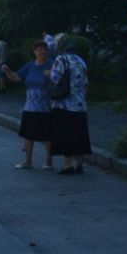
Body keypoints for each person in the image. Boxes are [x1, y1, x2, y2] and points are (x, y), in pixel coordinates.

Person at [2, 40, 54, 169]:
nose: (42, 52)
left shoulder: (51, 64)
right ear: (34, 51)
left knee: (47, 135)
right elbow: (16, 77)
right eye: (39, 49)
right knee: (28, 135)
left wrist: (51, 75)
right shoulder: (30, 65)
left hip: (45, 107)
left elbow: (59, 79)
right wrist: (8, 71)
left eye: (44, 49)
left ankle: (49, 161)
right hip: (30, 106)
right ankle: (28, 161)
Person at [47, 34, 91, 175]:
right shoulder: (80, 60)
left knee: (66, 134)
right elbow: (86, 82)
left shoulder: (61, 59)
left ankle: (68, 165)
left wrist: (49, 72)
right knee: (79, 134)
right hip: (80, 104)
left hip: (64, 104)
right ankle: (80, 164)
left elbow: (55, 78)